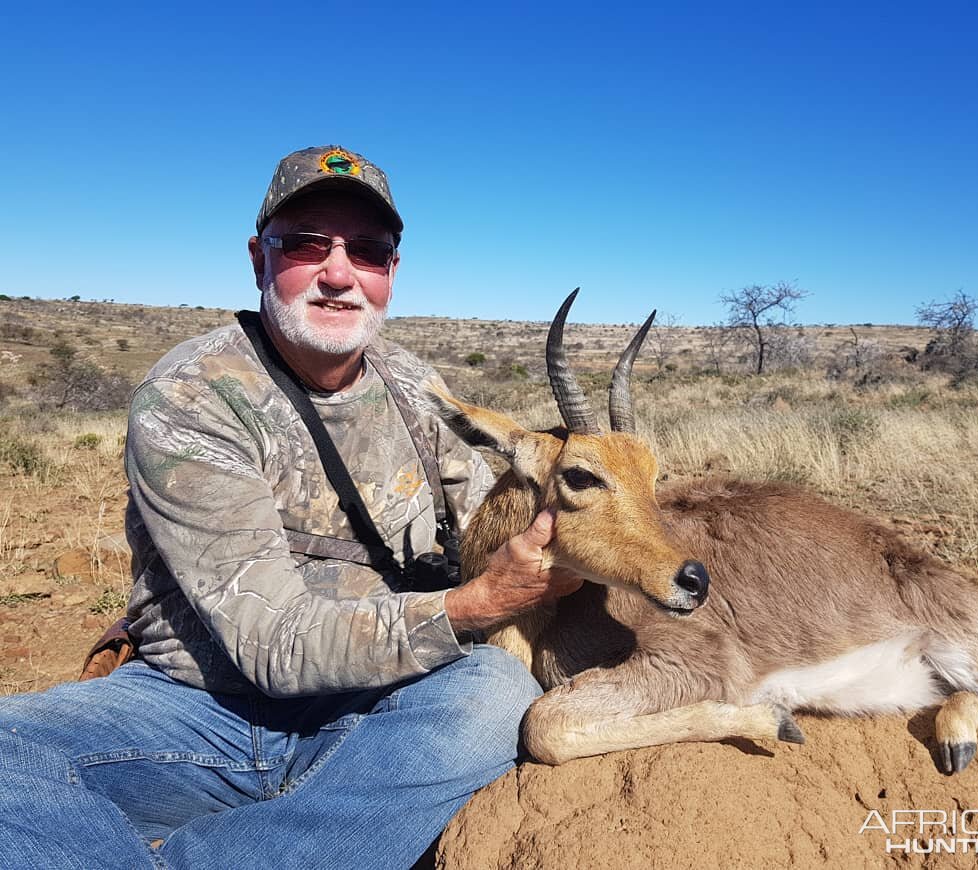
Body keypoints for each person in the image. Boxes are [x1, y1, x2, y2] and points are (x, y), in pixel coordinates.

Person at [0, 145, 581, 869]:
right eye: (307, 244)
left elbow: (477, 532)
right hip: (198, 707)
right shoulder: (194, 393)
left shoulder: (417, 389)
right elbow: (270, 643)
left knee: (493, 692)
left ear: (390, 274)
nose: (338, 273)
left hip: (380, 706)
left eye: (366, 251)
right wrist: (478, 603)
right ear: (258, 258)